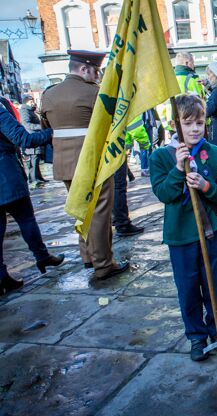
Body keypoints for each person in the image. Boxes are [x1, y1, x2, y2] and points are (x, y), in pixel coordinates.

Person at [149, 94, 217, 361]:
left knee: (215, 286)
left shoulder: (216, 154)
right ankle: (196, 336)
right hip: (180, 236)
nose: (195, 128)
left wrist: (206, 187)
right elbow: (164, 193)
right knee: (188, 288)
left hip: (209, 234)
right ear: (176, 125)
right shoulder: (161, 157)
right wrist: (177, 170)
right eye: (188, 123)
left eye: (199, 122)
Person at [41, 50, 129, 280]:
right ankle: (103, 263)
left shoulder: (49, 95)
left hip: (64, 162)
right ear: (84, 69)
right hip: (90, 161)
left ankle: (88, 255)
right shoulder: (93, 93)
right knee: (99, 212)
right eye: (95, 71)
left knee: (81, 210)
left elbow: (46, 125)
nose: (97, 75)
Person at [1, 97, 64, 295]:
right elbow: (24, 139)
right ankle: (42, 257)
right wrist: (54, 132)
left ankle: (2, 277)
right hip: (6, 176)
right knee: (26, 219)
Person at [111, 115, 148, 237]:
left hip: (105, 147)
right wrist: (145, 144)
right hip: (117, 147)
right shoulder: (122, 98)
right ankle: (122, 223)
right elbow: (135, 125)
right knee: (118, 186)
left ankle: (114, 218)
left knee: (109, 186)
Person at [19, 95, 47, 186]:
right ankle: (34, 179)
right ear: (26, 102)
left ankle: (38, 177)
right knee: (33, 159)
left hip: (35, 136)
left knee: (36, 158)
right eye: (31, 102)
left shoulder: (30, 110)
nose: (33, 103)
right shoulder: (24, 110)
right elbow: (27, 124)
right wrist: (40, 127)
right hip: (32, 137)